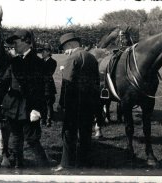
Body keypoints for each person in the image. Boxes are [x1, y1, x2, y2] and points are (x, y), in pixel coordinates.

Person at [53, 33, 101, 171]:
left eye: (64, 48)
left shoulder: (72, 58)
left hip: (73, 104)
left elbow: (66, 85)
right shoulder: (92, 57)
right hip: (89, 103)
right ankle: (84, 163)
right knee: (86, 133)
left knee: (68, 134)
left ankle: (66, 164)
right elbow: (97, 82)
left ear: (70, 45)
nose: (64, 52)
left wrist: (62, 105)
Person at [3, 30, 49, 169]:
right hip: (13, 107)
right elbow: (5, 82)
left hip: (30, 108)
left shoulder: (38, 62)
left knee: (32, 139)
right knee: (16, 138)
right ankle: (19, 165)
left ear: (27, 42)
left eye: (16, 42)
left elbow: (43, 89)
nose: (13, 46)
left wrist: (37, 109)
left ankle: (45, 169)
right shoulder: (14, 61)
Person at [40, 43, 57, 127]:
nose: (41, 54)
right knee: (42, 103)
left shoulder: (53, 62)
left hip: (48, 85)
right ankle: (43, 119)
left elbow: (49, 73)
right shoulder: (41, 61)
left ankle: (48, 119)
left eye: (43, 52)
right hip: (42, 85)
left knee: (49, 103)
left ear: (48, 52)